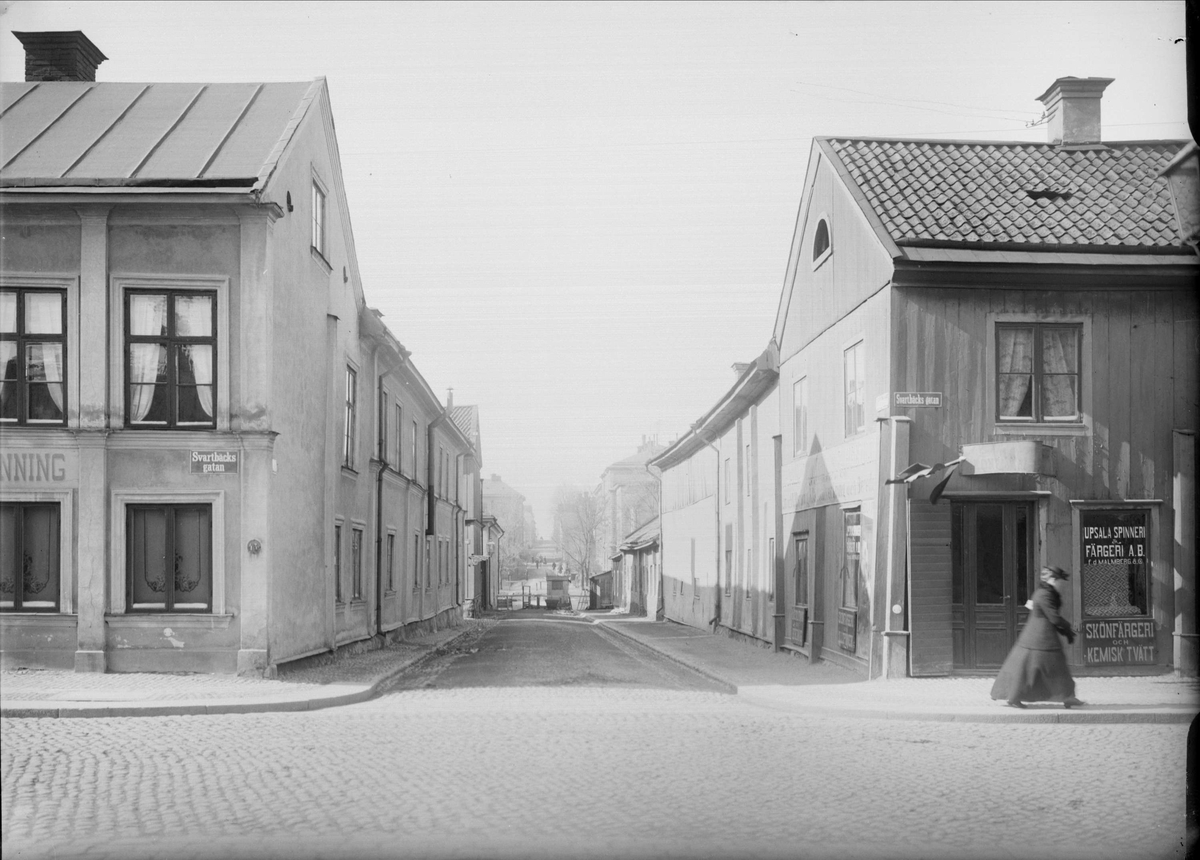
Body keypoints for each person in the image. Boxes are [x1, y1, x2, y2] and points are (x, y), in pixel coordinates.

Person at [990, 565, 1085, 709]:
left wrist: (1065, 631)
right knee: (1037, 670)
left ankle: (1067, 697)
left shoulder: (1045, 592)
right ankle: (1066, 697)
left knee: (1034, 669)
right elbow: (1054, 618)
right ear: (1053, 579)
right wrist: (1068, 629)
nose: (1061, 584)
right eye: (1059, 580)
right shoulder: (1044, 595)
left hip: (1038, 638)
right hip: (1041, 639)